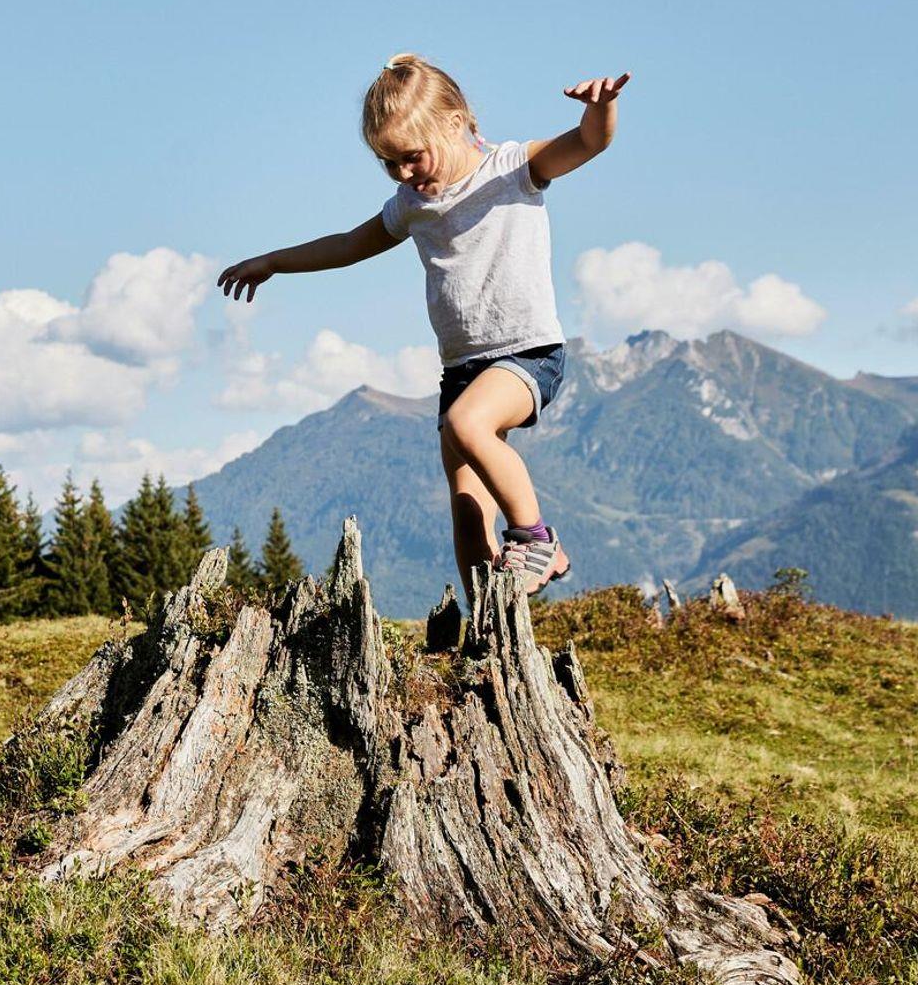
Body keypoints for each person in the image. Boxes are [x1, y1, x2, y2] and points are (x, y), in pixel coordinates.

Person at [217, 54, 629, 598]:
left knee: (467, 425)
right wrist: (273, 261)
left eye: (411, 157)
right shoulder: (410, 205)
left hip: (526, 353)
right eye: (389, 163)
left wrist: (601, 109)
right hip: (461, 368)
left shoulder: (513, 168)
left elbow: (588, 142)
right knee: (466, 508)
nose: (404, 173)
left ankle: (536, 538)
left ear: (454, 123)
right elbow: (349, 244)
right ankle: (487, 625)